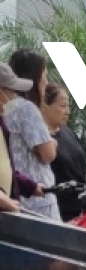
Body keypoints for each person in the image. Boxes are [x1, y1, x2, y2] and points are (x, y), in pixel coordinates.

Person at [6, 49, 58, 219]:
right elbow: (48, 153)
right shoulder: (26, 108)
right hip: (38, 199)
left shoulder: (7, 110)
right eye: (44, 75)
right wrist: (52, 142)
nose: (46, 81)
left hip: (14, 196)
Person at [0, 63, 46, 213]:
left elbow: (6, 167)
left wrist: (30, 186)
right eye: (12, 91)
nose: (15, 97)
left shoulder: (2, 124)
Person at [41, 83, 86, 222]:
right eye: (63, 106)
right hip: (57, 212)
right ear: (45, 106)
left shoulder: (68, 132)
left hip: (81, 208)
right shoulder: (41, 140)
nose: (67, 111)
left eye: (68, 106)